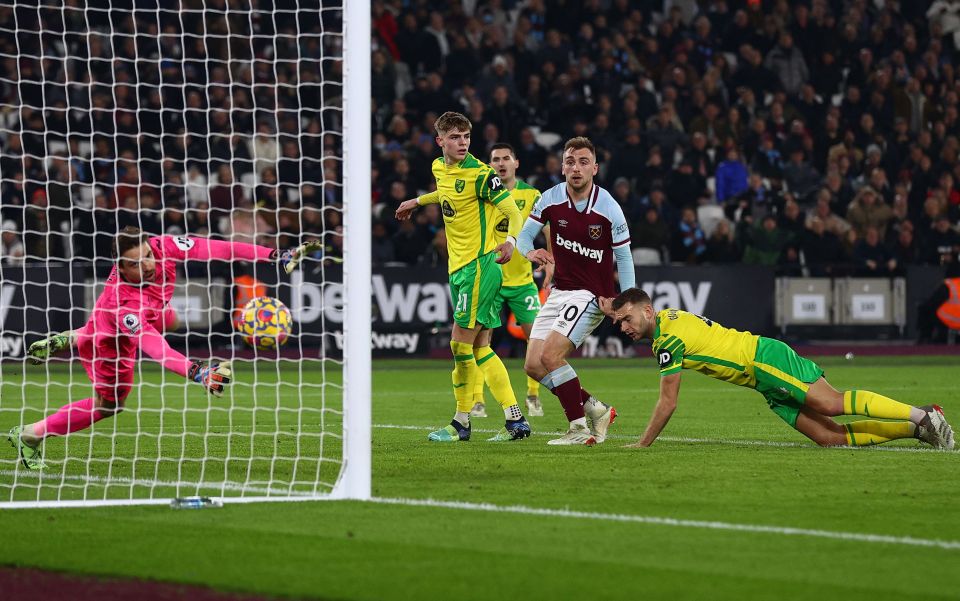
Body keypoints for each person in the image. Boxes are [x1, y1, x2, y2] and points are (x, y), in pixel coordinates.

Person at [8, 227, 321, 470]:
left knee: (170, 319)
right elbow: (155, 349)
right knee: (109, 405)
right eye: (135, 263)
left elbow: (217, 248)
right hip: (112, 340)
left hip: (152, 311)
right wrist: (197, 373)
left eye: (146, 255)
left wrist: (275, 254)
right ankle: (30, 434)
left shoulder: (163, 246)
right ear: (120, 268)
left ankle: (75, 336)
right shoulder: (125, 306)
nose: (146, 265)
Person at [609, 288, 955, 450]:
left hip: (763, 359)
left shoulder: (667, 339)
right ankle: (919, 429)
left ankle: (920, 416)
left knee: (830, 403)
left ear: (647, 311)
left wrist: (643, 444)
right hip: (762, 381)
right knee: (829, 438)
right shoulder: (669, 320)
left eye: (627, 319)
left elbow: (668, 402)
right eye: (619, 322)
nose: (624, 327)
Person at [395, 112, 530, 443]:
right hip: (459, 268)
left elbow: (512, 210)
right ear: (439, 141)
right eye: (454, 137)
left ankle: (461, 422)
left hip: (479, 266)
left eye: (466, 137)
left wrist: (511, 242)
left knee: (459, 343)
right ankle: (515, 419)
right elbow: (446, 194)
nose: (462, 143)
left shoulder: (482, 175)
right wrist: (417, 200)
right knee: (481, 346)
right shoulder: (439, 168)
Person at [517, 136, 636, 445]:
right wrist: (530, 252)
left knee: (551, 355)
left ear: (594, 168)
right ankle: (596, 409)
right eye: (570, 161)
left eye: (583, 162)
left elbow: (623, 257)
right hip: (559, 292)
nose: (576, 168)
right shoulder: (550, 198)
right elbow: (523, 238)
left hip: (592, 296)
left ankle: (579, 430)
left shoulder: (608, 207)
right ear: (562, 167)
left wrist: (628, 302)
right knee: (532, 365)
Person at [470, 143, 550, 418]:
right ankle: (478, 400)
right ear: (489, 165)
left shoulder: (532, 194)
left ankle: (532, 395)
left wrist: (552, 262)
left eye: (506, 158)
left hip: (522, 281)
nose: (501, 163)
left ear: (516, 163)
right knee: (482, 339)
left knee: (536, 338)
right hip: (490, 277)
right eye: (495, 159)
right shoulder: (483, 192)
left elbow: (548, 227)